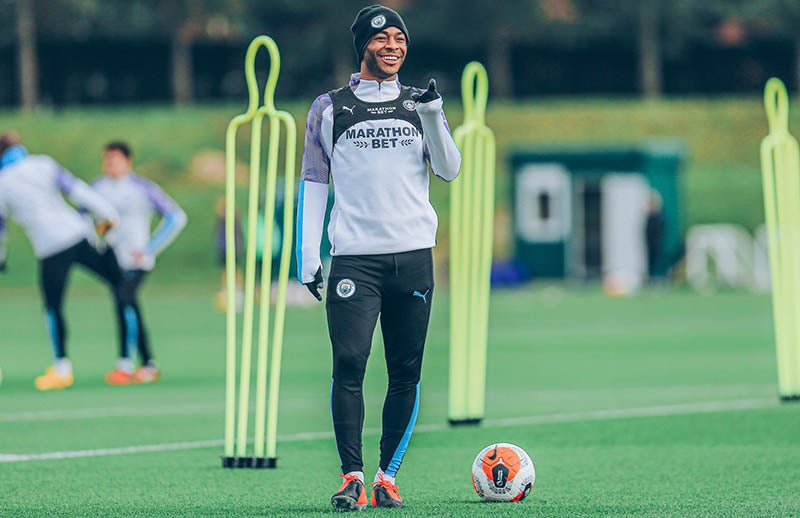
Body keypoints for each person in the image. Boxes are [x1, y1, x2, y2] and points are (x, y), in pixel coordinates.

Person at [295, 5, 461, 511]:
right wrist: (308, 253)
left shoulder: (420, 103)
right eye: (383, 38)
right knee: (349, 363)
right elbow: (314, 182)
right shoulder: (330, 107)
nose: (393, 46)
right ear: (363, 45)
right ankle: (352, 475)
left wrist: (433, 114)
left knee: (404, 370)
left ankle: (387, 477)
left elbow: (449, 170)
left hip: (413, 258)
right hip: (355, 261)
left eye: (400, 38)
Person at [0, 131, 121, 391]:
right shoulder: (43, 163)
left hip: (50, 248)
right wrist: (107, 211)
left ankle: (62, 368)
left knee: (53, 308)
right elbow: (77, 189)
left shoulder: (2, 182)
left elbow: (0, 228)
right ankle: (132, 360)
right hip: (78, 234)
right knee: (120, 285)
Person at [92, 141, 187, 385]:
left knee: (125, 300)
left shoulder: (143, 188)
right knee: (126, 306)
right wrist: (100, 234)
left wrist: (149, 248)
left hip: (137, 262)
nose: (109, 164)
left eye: (114, 159)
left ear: (127, 161)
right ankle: (148, 365)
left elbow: (176, 217)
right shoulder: (97, 188)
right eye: (106, 159)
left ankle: (125, 364)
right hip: (113, 261)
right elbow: (85, 221)